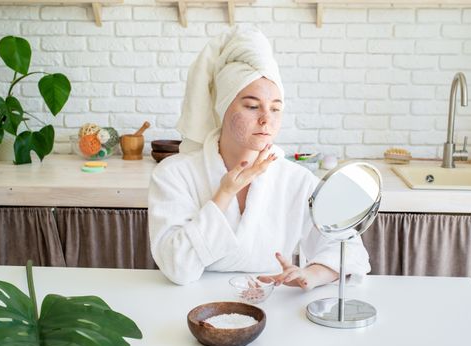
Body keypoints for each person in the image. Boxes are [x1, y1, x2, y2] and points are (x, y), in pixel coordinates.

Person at [148, 26, 370, 288]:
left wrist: (312, 274)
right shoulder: (174, 175)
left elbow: (349, 249)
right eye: (252, 106)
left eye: (276, 109)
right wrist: (225, 193)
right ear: (223, 107)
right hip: (191, 306)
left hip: (272, 299)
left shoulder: (296, 180)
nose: (266, 119)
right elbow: (177, 268)